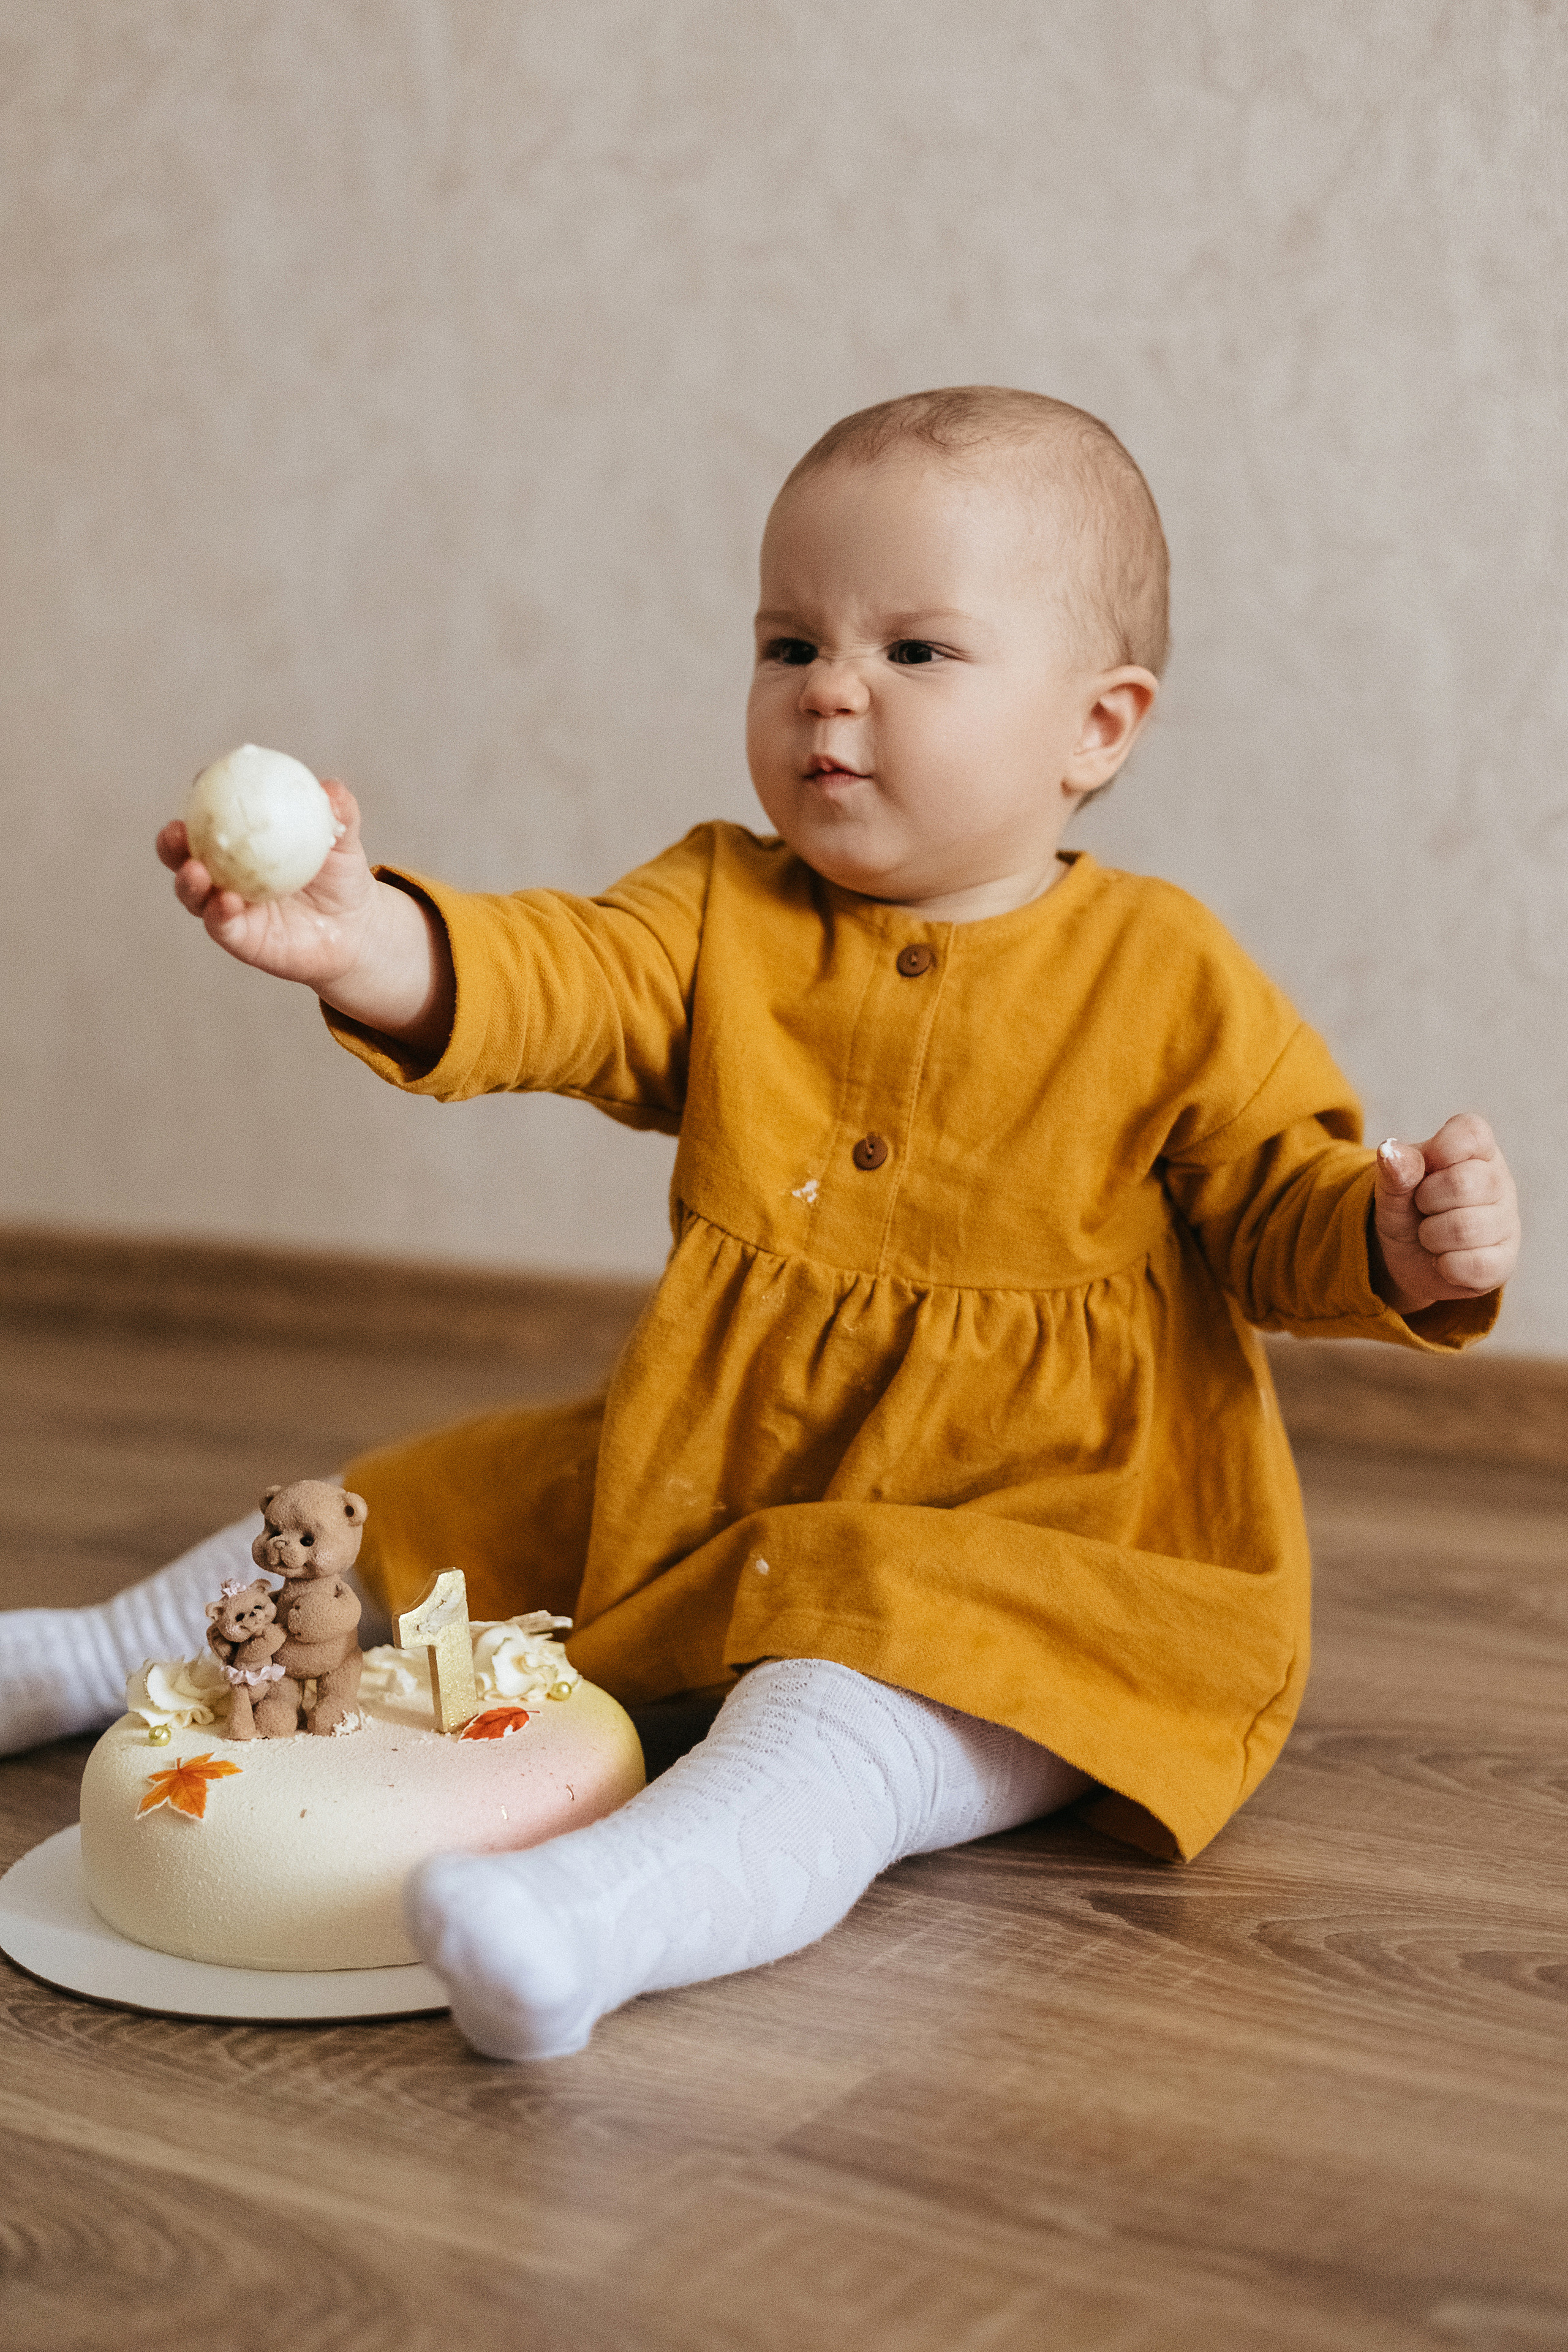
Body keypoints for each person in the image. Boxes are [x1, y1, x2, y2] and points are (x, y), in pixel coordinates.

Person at [1, 388, 1521, 2060]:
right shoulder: (723, 905)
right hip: (722, 1471)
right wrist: (373, 946)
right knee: (427, 1508)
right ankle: (86, 1657)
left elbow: (1278, 1204)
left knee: (844, 1687)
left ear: (1098, 727)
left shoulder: (1167, 975)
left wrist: (1396, 1242)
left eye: (918, 652)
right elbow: (561, 980)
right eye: (788, 641)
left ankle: (597, 1918)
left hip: (1051, 1545)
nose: (829, 693)